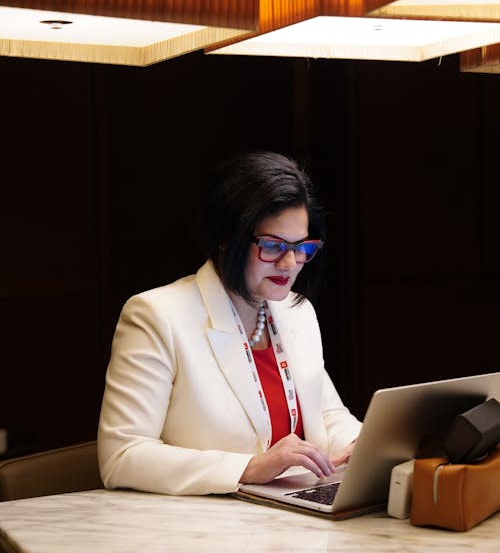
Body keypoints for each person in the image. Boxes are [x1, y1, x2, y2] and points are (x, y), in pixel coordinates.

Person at [97, 150, 362, 496]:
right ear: (226, 238)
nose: (289, 263)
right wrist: (249, 467)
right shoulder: (156, 315)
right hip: (202, 531)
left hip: (291, 517)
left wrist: (363, 444)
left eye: (302, 248)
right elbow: (122, 455)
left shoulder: (297, 312)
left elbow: (327, 416)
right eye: (272, 245)